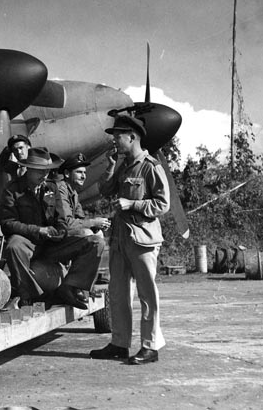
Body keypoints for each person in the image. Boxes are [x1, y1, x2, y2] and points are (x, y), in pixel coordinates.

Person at [90, 114, 169, 365]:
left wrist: (132, 203)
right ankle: (119, 343)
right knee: (118, 293)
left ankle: (150, 346)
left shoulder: (150, 166)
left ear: (132, 137)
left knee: (147, 295)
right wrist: (111, 166)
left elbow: (162, 203)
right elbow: (104, 190)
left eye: (117, 136)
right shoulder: (123, 165)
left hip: (142, 240)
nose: (114, 140)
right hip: (121, 239)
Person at [0, 147, 104, 308]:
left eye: (47, 171)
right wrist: (37, 230)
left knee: (95, 242)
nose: (44, 175)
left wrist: (58, 233)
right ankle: (28, 294)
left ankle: (71, 286)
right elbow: (7, 223)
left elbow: (63, 220)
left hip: (53, 243)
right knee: (14, 246)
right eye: (40, 171)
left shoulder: (52, 188)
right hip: (29, 242)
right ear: (29, 169)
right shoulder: (12, 190)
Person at [56, 153, 111, 237]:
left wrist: (97, 225)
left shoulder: (73, 192)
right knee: (86, 234)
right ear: (67, 173)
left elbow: (81, 219)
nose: (83, 176)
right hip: (55, 234)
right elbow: (66, 223)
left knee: (98, 233)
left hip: (65, 232)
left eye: (84, 173)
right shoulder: (60, 190)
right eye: (79, 172)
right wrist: (93, 222)